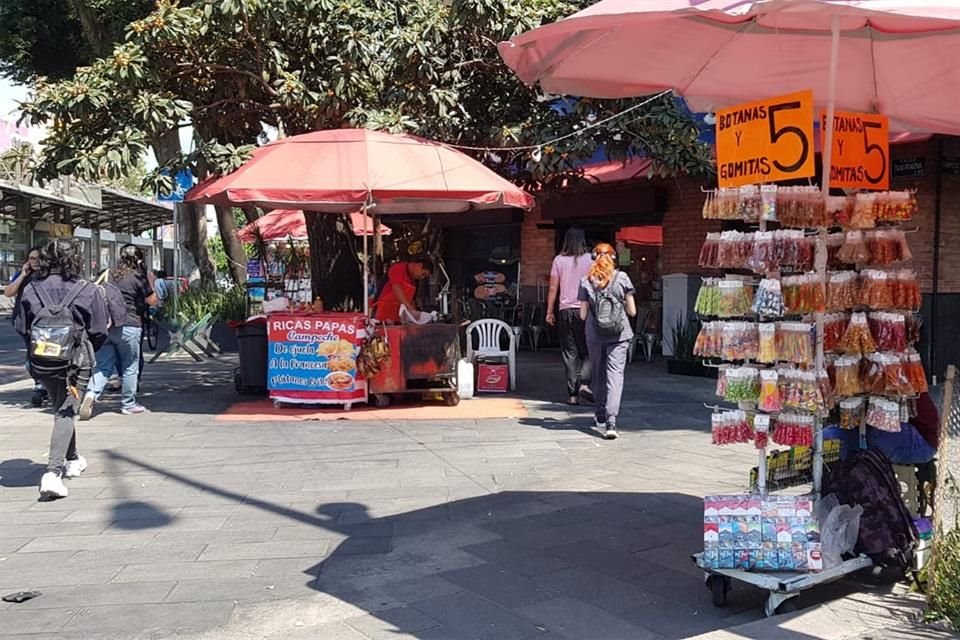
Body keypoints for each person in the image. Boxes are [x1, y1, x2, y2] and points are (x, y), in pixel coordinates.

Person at [13, 239, 108, 499]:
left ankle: (73, 459)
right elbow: (99, 330)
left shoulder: (31, 287)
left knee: (62, 406)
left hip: (42, 361)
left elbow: (21, 326)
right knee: (66, 412)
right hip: (75, 362)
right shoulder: (87, 289)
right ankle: (53, 473)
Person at [81, 244, 157, 417]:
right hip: (129, 325)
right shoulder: (138, 277)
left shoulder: (107, 273)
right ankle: (128, 404)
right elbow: (152, 301)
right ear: (139, 259)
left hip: (105, 326)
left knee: (103, 366)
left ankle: (91, 394)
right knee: (130, 366)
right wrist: (150, 281)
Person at [578, 243, 636, 439]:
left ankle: (599, 413)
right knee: (615, 376)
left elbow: (583, 315)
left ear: (594, 257)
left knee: (598, 374)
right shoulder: (623, 278)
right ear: (613, 257)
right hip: (620, 334)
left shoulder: (586, 281)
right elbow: (632, 311)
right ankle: (611, 422)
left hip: (594, 335)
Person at [546, 227, 593, 405]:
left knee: (569, 354)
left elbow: (552, 288)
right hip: (585, 310)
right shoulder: (590, 259)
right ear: (582, 240)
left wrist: (549, 311)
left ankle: (572, 396)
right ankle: (585, 384)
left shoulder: (558, 260)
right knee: (588, 351)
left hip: (565, 311)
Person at [824, 392, 940, 464]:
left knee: (872, 430)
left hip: (922, 442)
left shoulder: (892, 371)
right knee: (827, 436)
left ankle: (852, 474)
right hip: (875, 430)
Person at [6, 246, 48, 406]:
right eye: (31, 258)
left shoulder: (49, 275)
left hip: (46, 321)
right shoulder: (25, 275)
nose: (35, 262)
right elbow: (9, 292)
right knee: (32, 356)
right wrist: (23, 274)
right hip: (25, 321)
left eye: (38, 258)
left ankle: (45, 383)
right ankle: (40, 384)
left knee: (45, 354)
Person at [372, 259, 432, 324]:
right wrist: (409, 307)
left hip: (397, 317)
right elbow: (396, 288)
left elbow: (412, 301)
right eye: (423, 274)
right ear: (419, 265)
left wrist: (415, 315)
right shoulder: (398, 268)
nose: (422, 277)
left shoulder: (415, 282)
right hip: (382, 312)